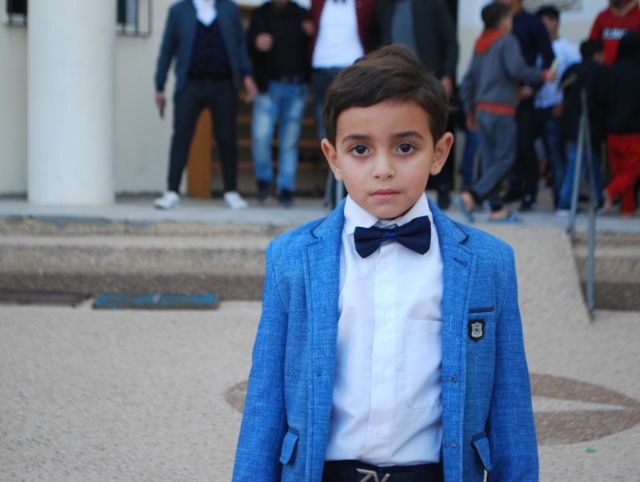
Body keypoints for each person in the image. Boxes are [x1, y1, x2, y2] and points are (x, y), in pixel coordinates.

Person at [233, 44, 538, 482]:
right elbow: (265, 402)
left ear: (439, 152)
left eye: (405, 147)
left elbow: (511, 407)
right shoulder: (291, 259)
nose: (383, 169)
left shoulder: (489, 263)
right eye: (360, 149)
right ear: (333, 158)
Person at [153, 0, 257, 210]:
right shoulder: (179, 11)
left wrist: (247, 75)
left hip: (224, 85)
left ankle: (231, 191)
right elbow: (167, 49)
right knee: (181, 136)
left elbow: (239, 45)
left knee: (227, 138)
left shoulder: (228, 9)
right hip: (190, 85)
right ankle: (172, 192)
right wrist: (159, 85)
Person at [458, 2, 554, 223]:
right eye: (510, 19)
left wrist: (470, 107)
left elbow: (469, 79)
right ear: (503, 21)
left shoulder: (480, 42)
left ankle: (497, 209)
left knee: (490, 161)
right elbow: (516, 69)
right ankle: (472, 195)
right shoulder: (507, 40)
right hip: (501, 109)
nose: (511, 23)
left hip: (482, 109)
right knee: (506, 158)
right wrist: (542, 75)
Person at [377, 0, 459, 210]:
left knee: (435, 135)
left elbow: (451, 42)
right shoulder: (386, 6)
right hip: (393, 86)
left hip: (428, 83)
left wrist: (448, 75)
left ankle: (443, 188)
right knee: (399, 139)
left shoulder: (434, 4)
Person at [308, 0, 378, 206]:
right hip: (321, 69)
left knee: (357, 131)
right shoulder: (317, 3)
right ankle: (336, 187)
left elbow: (373, 30)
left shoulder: (365, 3)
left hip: (353, 70)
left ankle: (350, 190)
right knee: (325, 134)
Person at [247, 0, 311, 208]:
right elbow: (246, 46)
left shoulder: (302, 14)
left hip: (296, 87)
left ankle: (286, 189)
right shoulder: (260, 14)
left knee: (289, 142)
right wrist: (255, 43)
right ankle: (264, 182)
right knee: (260, 137)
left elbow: (314, 48)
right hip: (268, 87)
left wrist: (311, 33)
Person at [498, 0, 555, 212]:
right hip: (500, 95)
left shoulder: (532, 22)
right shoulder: (497, 21)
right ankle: (513, 187)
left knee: (525, 143)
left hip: (524, 94)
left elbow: (549, 59)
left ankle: (530, 191)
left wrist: (533, 86)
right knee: (506, 144)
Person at [534, 5, 580, 207]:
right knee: (534, 155)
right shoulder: (535, 47)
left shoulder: (569, 49)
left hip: (555, 107)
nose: (541, 28)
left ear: (555, 23)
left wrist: (563, 101)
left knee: (555, 154)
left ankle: (561, 199)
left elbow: (575, 80)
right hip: (535, 105)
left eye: (545, 23)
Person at [555, 39, 607, 215]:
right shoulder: (598, 71)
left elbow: (562, 90)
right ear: (597, 55)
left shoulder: (573, 70)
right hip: (588, 124)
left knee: (590, 162)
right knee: (577, 162)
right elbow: (597, 100)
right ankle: (565, 202)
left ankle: (600, 198)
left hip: (570, 124)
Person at [600, 32, 640, 215]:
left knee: (622, 172)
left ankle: (627, 209)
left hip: (612, 131)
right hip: (634, 131)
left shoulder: (610, 71)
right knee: (633, 171)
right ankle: (611, 191)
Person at [590, 0, 640, 66]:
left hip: (631, 67)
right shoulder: (602, 16)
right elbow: (591, 44)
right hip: (604, 68)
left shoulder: (638, 16)